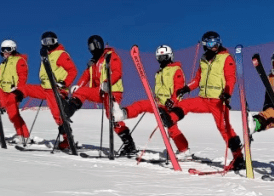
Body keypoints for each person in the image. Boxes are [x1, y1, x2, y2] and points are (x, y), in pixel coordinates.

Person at [116, 31, 244, 170]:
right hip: (203, 98)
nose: (215, 46)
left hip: (218, 100)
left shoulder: (226, 58)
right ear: (205, 45)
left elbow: (231, 78)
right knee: (185, 104)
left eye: (217, 42)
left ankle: (239, 158)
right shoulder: (204, 59)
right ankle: (170, 118)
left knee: (224, 128)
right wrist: (186, 89)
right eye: (211, 43)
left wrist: (227, 93)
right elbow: (197, 79)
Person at [63, 35, 137, 156]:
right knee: (81, 91)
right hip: (99, 92)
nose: (91, 49)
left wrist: (108, 83)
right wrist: (78, 86)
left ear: (99, 44)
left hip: (112, 91)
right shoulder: (93, 63)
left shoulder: (110, 56)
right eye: (89, 47)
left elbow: (117, 71)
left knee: (112, 117)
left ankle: (129, 145)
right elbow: (85, 76)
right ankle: (68, 110)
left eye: (92, 46)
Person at [115, 45, 192, 159]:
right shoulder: (159, 73)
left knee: (171, 128)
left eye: (165, 57)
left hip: (172, 105)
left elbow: (179, 88)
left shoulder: (176, 70)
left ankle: (184, 151)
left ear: (170, 56)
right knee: (141, 104)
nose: (162, 60)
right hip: (159, 103)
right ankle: (123, 113)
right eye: (160, 58)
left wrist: (173, 101)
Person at [19, 31, 78, 148]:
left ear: (56, 41)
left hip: (55, 89)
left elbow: (73, 71)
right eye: (45, 42)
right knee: (25, 88)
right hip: (45, 88)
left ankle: (67, 139)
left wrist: (64, 83)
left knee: (58, 115)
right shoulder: (46, 56)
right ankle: (12, 98)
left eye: (50, 41)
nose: (48, 44)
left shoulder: (60, 54)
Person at [0, 39, 33, 143]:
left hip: (13, 90)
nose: (5, 52)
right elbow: (0, 77)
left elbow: (22, 76)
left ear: (13, 49)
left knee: (13, 114)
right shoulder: (3, 64)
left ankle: (24, 135)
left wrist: (19, 90)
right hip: (2, 90)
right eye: (3, 50)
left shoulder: (19, 60)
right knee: (11, 115)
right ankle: (21, 134)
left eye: (8, 49)